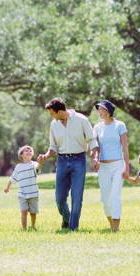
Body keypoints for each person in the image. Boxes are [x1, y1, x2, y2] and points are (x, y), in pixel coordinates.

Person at [37, 97, 98, 231]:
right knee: (59, 199)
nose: (51, 116)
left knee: (77, 197)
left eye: (52, 113)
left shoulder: (81, 120)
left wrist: (95, 157)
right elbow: (53, 147)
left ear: (60, 111)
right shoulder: (54, 124)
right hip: (62, 161)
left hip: (79, 160)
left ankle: (73, 227)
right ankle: (67, 218)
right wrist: (46, 156)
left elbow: (92, 141)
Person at [93, 100, 129, 232]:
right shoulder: (97, 127)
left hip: (118, 165)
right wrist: (95, 158)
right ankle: (111, 222)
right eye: (99, 110)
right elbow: (95, 147)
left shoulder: (120, 125)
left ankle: (116, 227)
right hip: (103, 167)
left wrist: (127, 166)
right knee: (105, 198)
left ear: (108, 111)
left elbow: (125, 147)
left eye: (101, 109)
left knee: (115, 195)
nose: (99, 112)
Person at [4, 145, 42, 231]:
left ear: (32, 154)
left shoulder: (34, 164)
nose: (29, 151)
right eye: (26, 151)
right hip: (22, 194)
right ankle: (24, 229)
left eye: (30, 150)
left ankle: (33, 226)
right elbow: (12, 179)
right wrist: (7, 188)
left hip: (33, 193)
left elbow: (38, 168)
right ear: (21, 155)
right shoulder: (18, 167)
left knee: (33, 213)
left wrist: (40, 162)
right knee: (23, 212)